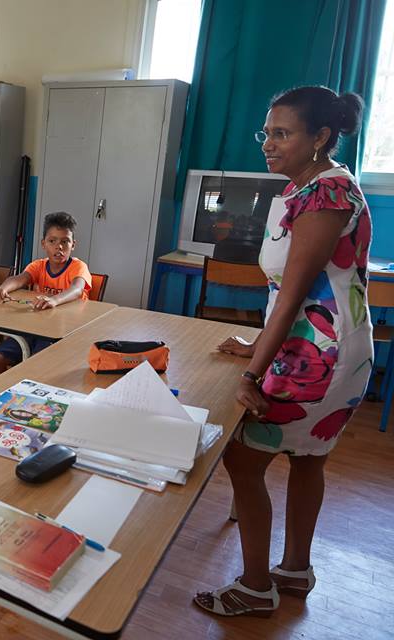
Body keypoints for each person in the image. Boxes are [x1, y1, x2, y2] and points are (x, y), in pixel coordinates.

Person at [194, 86, 372, 618]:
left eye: (283, 133)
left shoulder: (325, 195)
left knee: (242, 458)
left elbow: (296, 294)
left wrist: (253, 370)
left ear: (320, 136)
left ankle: (253, 586)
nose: (268, 144)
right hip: (324, 344)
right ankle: (294, 571)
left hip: (319, 355)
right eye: (266, 133)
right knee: (307, 459)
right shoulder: (313, 187)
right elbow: (295, 291)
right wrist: (258, 343)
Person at [0, 211, 91, 376]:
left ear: (73, 245)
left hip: (62, 333)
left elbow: (77, 289)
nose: (59, 247)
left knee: (34, 365)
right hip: (33, 328)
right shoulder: (38, 266)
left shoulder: (78, 267)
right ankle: (2, 396)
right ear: (43, 244)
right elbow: (20, 279)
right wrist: (3, 289)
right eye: (52, 241)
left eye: (65, 241)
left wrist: (54, 300)